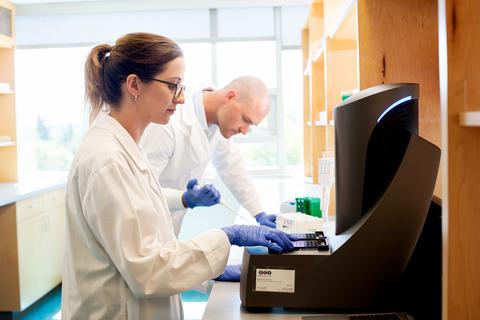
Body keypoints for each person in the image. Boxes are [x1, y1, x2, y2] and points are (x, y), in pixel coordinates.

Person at [62, 32, 295, 319]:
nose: (182, 97)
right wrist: (226, 237)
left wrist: (211, 270)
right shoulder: (108, 161)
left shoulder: (126, 149)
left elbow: (150, 246)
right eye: (173, 86)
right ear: (134, 84)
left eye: (181, 86)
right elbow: (146, 269)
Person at [140, 76, 278, 237]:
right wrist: (184, 198)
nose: (245, 130)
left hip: (167, 224)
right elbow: (139, 190)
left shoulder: (218, 122)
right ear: (230, 97)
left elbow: (233, 168)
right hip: (141, 224)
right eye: (245, 120)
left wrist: (259, 213)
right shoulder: (169, 122)